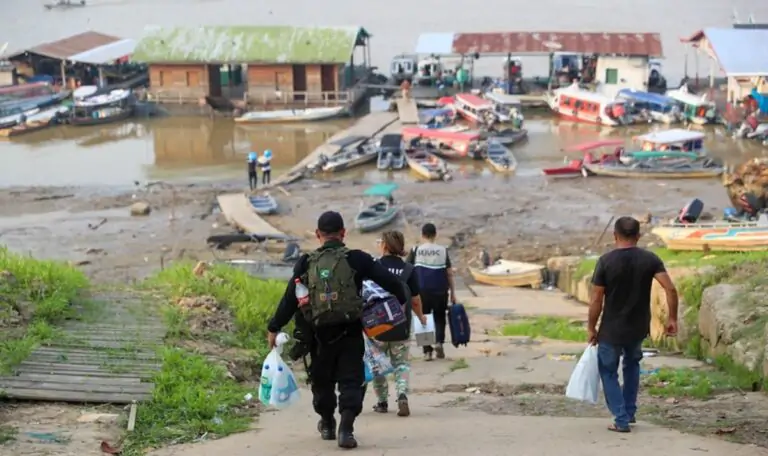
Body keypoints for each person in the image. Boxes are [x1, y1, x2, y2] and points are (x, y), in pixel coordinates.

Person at [267, 211, 407, 449]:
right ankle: (346, 429)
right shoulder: (358, 259)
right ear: (343, 233)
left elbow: (290, 298)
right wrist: (398, 304)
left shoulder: (305, 262)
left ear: (317, 234)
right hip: (350, 331)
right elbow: (394, 284)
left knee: (322, 382)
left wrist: (274, 327)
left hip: (317, 334)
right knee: (351, 380)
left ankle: (328, 423)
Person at [588, 216, 678, 433]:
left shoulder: (605, 261)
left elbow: (596, 299)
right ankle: (629, 411)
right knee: (632, 365)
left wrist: (591, 327)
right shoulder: (650, 259)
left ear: (614, 236)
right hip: (638, 326)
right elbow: (670, 289)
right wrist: (672, 318)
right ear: (638, 236)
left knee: (608, 371)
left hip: (611, 328)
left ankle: (621, 418)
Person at [371, 230, 427, 417]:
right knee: (401, 363)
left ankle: (382, 401)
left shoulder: (374, 266)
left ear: (385, 246)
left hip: (377, 326)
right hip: (401, 325)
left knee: (377, 363)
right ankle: (402, 394)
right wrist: (421, 317)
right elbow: (416, 300)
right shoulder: (409, 270)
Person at [406, 223, 456, 360]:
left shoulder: (416, 250)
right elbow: (449, 273)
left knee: (423, 318)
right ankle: (439, 342)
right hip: (440, 289)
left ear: (422, 235)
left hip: (421, 291)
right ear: (435, 235)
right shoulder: (442, 250)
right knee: (440, 318)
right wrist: (453, 293)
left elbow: (407, 271)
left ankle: (427, 351)